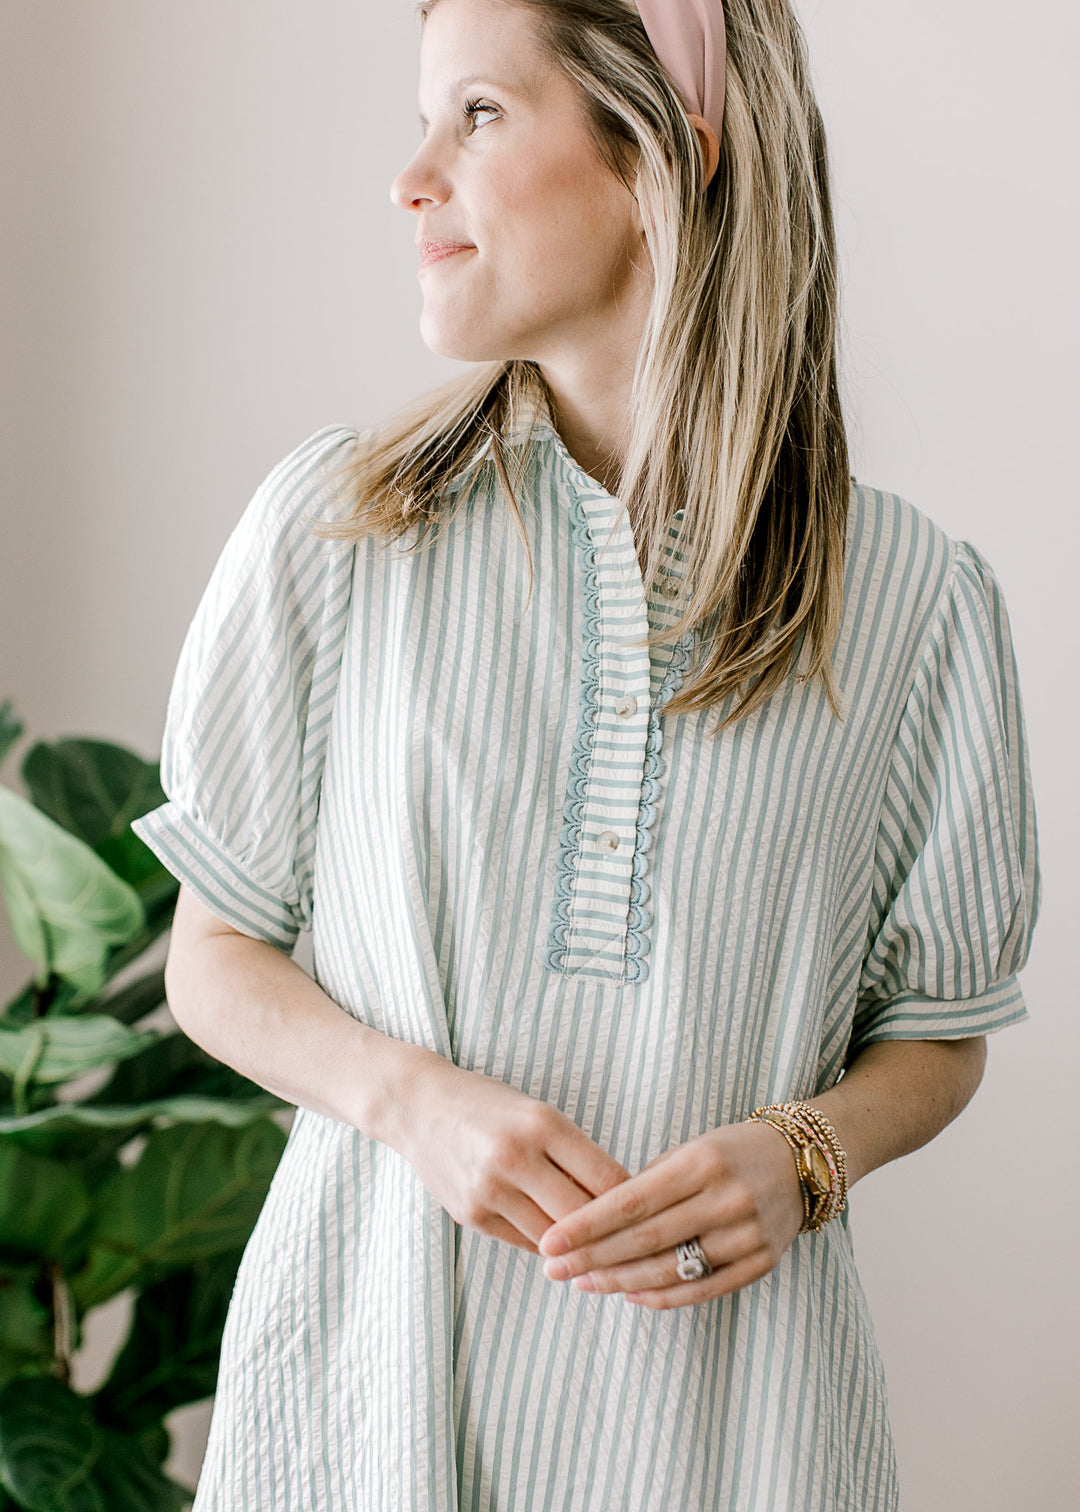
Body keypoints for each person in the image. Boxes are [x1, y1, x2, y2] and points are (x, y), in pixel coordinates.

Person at [132, 1, 1042, 1508]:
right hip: (364, 1410)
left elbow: (940, 1027)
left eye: (477, 114)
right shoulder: (334, 528)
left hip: (739, 1431)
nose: (411, 174)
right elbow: (213, 955)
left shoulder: (915, 605)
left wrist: (807, 1154)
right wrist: (412, 1103)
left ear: (662, 148)